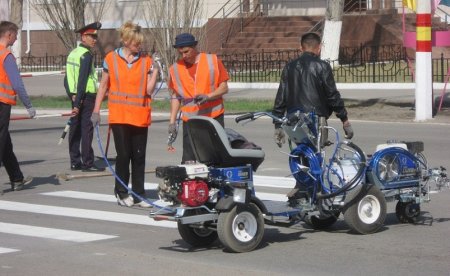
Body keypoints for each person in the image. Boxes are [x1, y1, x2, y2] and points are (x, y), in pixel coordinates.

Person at [272, 32, 354, 204]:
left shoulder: (289, 67)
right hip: (315, 119)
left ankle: (302, 188)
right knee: (315, 156)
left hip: (293, 121)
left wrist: (277, 123)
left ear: (301, 47)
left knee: (301, 154)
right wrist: (344, 119)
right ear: (319, 48)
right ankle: (314, 192)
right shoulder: (322, 67)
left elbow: (281, 96)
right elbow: (332, 95)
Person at [91, 21, 159, 208]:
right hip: (120, 116)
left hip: (139, 115)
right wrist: (96, 111)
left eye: (140, 42)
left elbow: (148, 89)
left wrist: (155, 73)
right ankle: (121, 192)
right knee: (123, 156)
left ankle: (139, 194)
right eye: (136, 42)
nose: (139, 45)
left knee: (139, 156)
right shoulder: (111, 59)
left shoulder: (146, 60)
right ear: (126, 40)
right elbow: (104, 86)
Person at [167, 33, 230, 163]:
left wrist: (208, 96)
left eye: (186, 51)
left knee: (214, 157)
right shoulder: (175, 69)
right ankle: (192, 182)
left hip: (214, 117)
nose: (184, 56)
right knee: (189, 160)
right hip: (190, 120)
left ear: (195, 47)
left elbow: (224, 88)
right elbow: (176, 96)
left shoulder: (212, 61)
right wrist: (172, 122)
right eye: (181, 53)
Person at [64, 22, 104, 172]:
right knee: (86, 129)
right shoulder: (85, 55)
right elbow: (82, 81)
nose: (95, 39)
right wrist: (78, 100)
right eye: (92, 36)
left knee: (75, 128)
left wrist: (72, 96)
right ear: (83, 37)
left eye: (95, 36)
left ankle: (75, 161)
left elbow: (66, 79)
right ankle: (87, 162)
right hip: (86, 97)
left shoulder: (73, 53)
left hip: (76, 97)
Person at [0, 21, 35, 191]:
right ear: (8, 35)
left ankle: (17, 178)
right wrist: (29, 105)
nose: (16, 38)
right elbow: (17, 83)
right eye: (15, 35)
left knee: (5, 141)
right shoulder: (6, 55)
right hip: (2, 104)